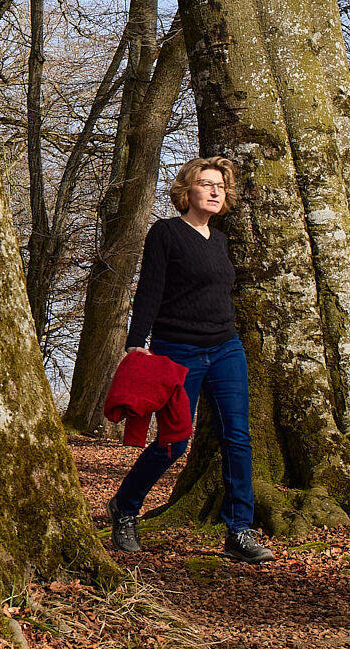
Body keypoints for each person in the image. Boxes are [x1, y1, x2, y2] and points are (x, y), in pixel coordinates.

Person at [107, 156, 274, 564]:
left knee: (238, 439)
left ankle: (239, 530)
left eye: (220, 186)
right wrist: (136, 342)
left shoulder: (219, 241)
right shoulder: (166, 233)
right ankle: (125, 507)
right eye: (206, 184)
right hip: (178, 351)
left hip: (226, 348)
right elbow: (150, 288)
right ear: (187, 190)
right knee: (174, 442)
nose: (216, 191)